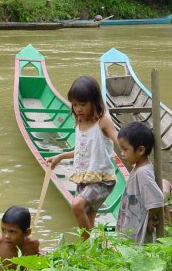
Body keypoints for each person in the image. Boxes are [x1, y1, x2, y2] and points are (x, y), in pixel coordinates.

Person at [47, 76, 119, 240]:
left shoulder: (102, 122)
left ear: (94, 102)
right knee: (88, 215)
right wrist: (60, 157)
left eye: (83, 104)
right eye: (74, 104)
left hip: (101, 179)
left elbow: (119, 140)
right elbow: (81, 150)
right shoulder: (79, 121)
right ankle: (88, 253)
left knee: (77, 205)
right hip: (84, 178)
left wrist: (131, 151)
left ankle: (86, 244)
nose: (78, 109)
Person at [116, 121, 165, 243]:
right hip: (129, 224)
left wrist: (149, 218)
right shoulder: (138, 168)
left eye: (125, 149)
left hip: (136, 231)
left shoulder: (142, 173)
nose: (122, 154)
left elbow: (157, 199)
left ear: (140, 150)